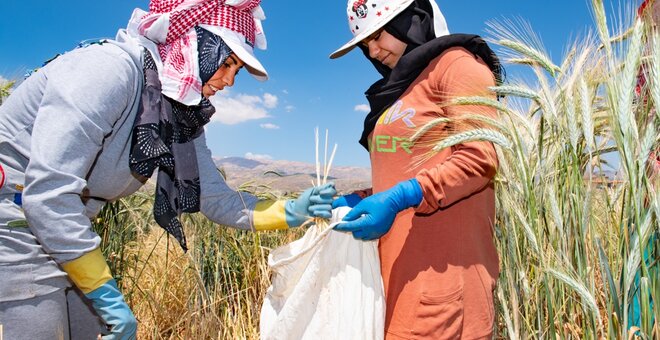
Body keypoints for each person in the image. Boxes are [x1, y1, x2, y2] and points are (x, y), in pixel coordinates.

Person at [0, 0, 335, 339]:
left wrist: (292, 211)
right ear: (194, 43)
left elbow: (218, 199)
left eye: (237, 71)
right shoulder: (108, 71)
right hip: (17, 225)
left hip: (67, 231)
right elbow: (47, 195)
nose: (230, 81)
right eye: (228, 63)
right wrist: (106, 295)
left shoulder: (177, 114)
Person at [330, 0, 503, 338]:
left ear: (412, 19)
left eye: (378, 35)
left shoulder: (458, 67)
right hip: (395, 284)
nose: (374, 50)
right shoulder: (398, 91)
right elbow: (406, 171)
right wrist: (363, 197)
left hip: (444, 287)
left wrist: (400, 197)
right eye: (365, 45)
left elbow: (480, 158)